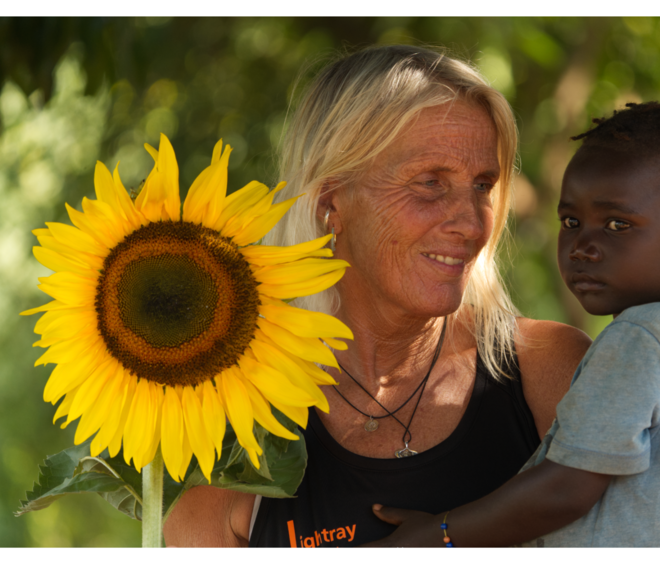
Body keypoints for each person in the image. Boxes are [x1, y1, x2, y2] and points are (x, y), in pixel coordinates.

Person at [163, 45, 592, 547]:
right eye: (430, 183)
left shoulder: (550, 373)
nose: (473, 223)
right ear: (331, 204)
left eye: (482, 185)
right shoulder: (229, 426)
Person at [366, 95, 660, 547]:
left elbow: (566, 489)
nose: (583, 246)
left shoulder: (636, 338)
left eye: (617, 225)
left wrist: (438, 534)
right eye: (572, 221)